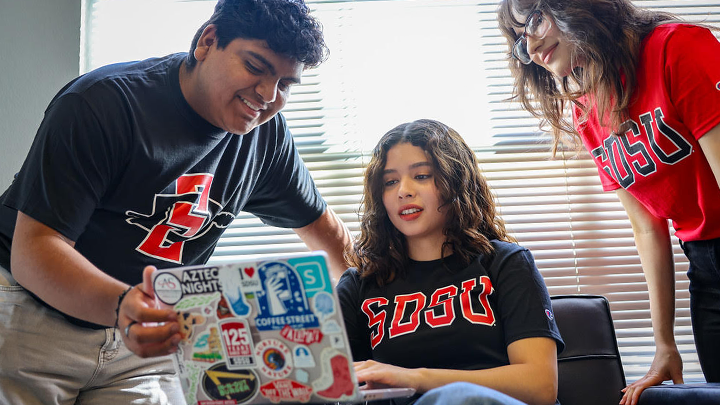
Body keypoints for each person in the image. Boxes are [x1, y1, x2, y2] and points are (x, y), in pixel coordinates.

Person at [0, 0, 351, 403]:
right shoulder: (103, 104)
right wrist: (122, 305)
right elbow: (34, 250)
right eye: (255, 67)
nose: (268, 95)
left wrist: (371, 305)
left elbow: (325, 232)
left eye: (286, 84)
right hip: (30, 311)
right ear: (208, 41)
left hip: (148, 339)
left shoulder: (266, 138)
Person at [496, 1, 720, 404]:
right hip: (705, 266)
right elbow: (645, 225)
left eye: (534, 20)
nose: (529, 46)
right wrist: (663, 343)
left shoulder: (677, 47)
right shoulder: (585, 108)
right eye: (519, 40)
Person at [336, 119, 564, 405]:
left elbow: (540, 386)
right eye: (390, 181)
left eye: (421, 176)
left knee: (460, 397)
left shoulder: (506, 264)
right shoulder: (359, 284)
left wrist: (414, 378)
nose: (403, 191)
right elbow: (326, 384)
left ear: (455, 182)